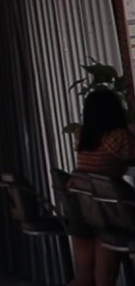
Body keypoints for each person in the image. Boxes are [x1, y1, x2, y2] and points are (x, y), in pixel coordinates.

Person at [70, 89, 135, 286]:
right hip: (106, 210)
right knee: (104, 280)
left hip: (78, 203)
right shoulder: (117, 137)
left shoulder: (82, 134)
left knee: (83, 278)